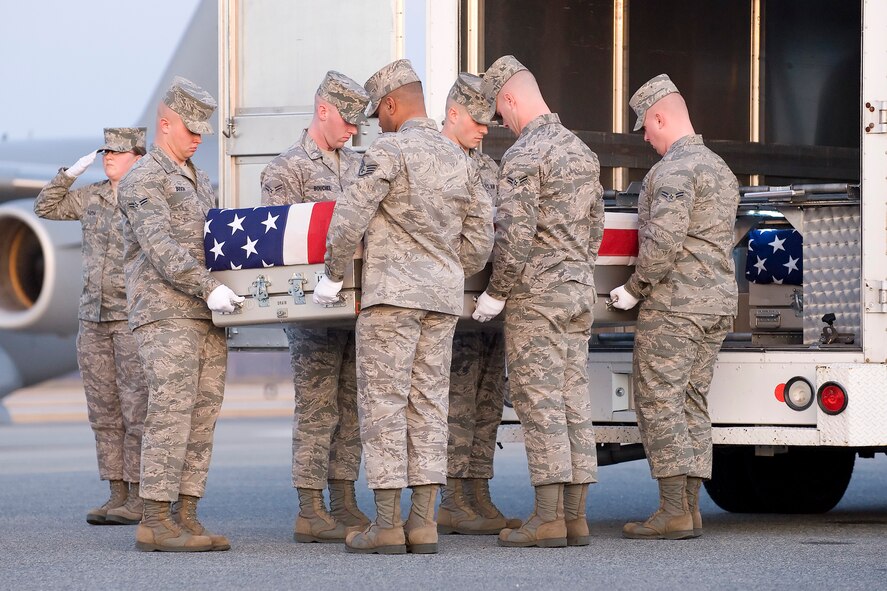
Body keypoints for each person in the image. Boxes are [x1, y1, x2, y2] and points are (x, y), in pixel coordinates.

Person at [315, 59, 494, 554]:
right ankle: (424, 524)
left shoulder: (389, 150)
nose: (377, 122)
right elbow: (480, 238)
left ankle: (388, 525)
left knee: (384, 407)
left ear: (392, 104)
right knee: (430, 406)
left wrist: (332, 276)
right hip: (440, 302)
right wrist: (443, 266)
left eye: (378, 113)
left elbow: (351, 214)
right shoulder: (459, 158)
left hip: (392, 300)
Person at [474, 55, 604, 548]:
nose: (500, 121)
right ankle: (575, 518)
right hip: (576, 291)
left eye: (499, 110)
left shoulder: (525, 155)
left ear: (509, 97)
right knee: (574, 400)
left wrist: (497, 291)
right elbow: (594, 228)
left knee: (540, 401)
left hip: (538, 297)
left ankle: (548, 518)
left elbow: (514, 235)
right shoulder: (581, 151)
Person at [609, 74, 739, 540]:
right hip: (715, 304)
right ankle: (689, 507)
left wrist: (635, 287)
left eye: (646, 126)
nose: (645, 137)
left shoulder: (674, 170)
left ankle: (671, 510)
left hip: (677, 305)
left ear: (661, 116)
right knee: (691, 400)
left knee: (659, 399)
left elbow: (662, 241)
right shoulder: (719, 167)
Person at [119, 76, 244, 553]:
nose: (196, 139)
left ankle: (186, 514)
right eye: (189, 130)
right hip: (165, 312)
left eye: (201, 133)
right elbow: (159, 247)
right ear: (164, 123)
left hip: (206, 314)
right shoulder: (142, 179)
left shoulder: (198, 177)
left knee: (202, 413)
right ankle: (154, 519)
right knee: (170, 412)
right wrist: (208, 288)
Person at [260, 71, 371, 544]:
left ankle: (343, 499)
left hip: (356, 309)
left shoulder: (361, 165)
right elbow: (278, 251)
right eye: (347, 121)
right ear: (322, 109)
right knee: (317, 407)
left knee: (353, 406)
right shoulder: (285, 171)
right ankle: (310, 508)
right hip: (313, 312)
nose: (353, 131)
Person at [34, 128, 149, 526]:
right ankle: (116, 492)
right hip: (93, 317)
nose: (108, 158)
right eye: (105, 152)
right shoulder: (93, 195)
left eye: (117, 152)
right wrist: (68, 175)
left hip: (132, 317)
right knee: (103, 411)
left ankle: (138, 495)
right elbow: (45, 207)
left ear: (137, 155)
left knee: (137, 411)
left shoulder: (146, 195)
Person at [437, 73, 520, 535]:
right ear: (453, 113)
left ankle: (477, 490)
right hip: (451, 301)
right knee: (456, 400)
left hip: (487, 303)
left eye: (490, 122)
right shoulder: (434, 160)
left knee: (488, 399)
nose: (485, 129)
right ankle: (452, 497)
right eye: (477, 121)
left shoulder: (488, 168)